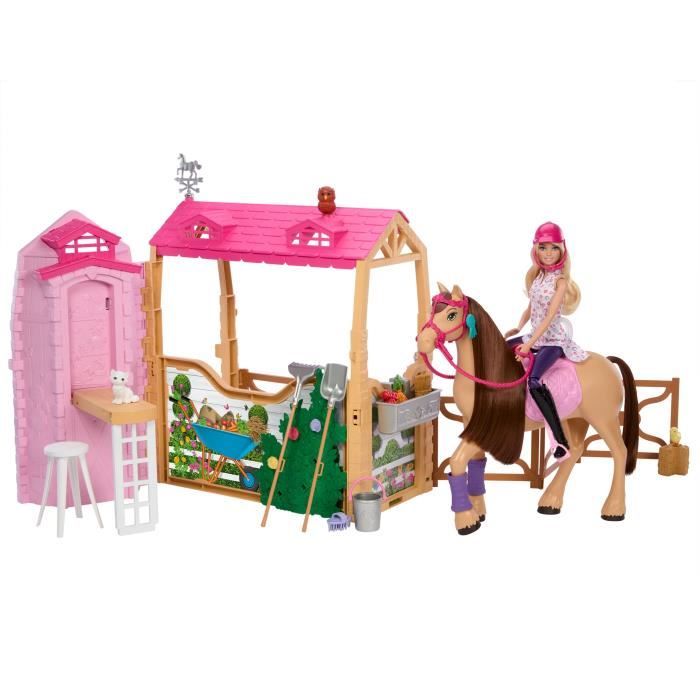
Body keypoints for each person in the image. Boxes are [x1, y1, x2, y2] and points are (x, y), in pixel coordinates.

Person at [505, 222, 588, 459]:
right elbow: (530, 308)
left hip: (552, 341)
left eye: (553, 248)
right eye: (543, 248)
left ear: (562, 250)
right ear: (536, 250)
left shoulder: (560, 281)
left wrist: (528, 344)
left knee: (534, 381)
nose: (548, 253)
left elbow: (550, 316)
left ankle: (559, 441)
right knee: (501, 351)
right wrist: (518, 328)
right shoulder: (538, 277)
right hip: (534, 336)